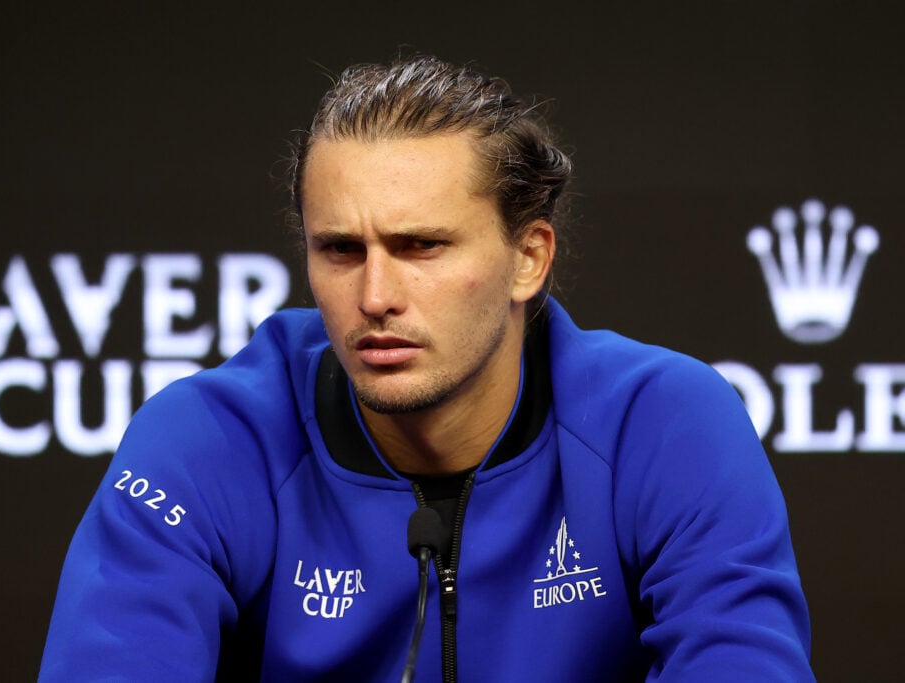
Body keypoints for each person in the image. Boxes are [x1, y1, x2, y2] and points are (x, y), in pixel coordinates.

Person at [39, 55, 814, 681]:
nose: (374, 296)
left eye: (421, 247)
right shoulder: (206, 439)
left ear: (528, 258)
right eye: (340, 250)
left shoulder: (665, 421)